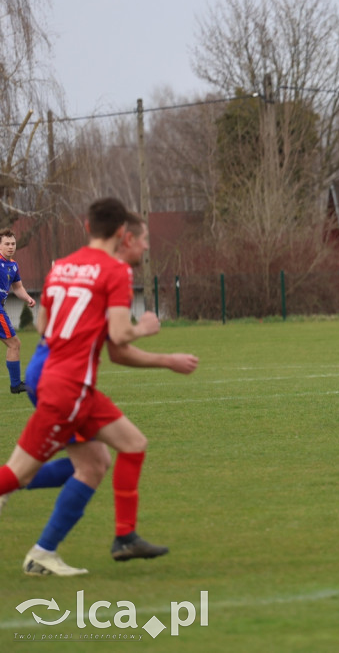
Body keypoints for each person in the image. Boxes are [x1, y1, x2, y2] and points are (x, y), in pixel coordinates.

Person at [0, 213, 198, 571]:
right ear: (123, 235)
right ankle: (89, 538)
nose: (146, 246)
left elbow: (44, 325)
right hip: (66, 383)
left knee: (111, 454)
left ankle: (96, 543)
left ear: (89, 228)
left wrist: (162, 359)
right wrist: (145, 329)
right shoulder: (115, 271)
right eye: (143, 239)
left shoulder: (63, 266)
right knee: (20, 473)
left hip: (50, 370)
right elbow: (119, 339)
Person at [0, 228, 37, 393]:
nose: (10, 247)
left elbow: (18, 288)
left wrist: (28, 298)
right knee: (14, 343)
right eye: (7, 244)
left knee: (14, 344)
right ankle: (15, 385)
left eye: (13, 244)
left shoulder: (13, 266)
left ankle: (16, 385)